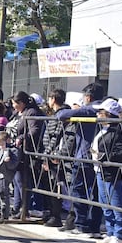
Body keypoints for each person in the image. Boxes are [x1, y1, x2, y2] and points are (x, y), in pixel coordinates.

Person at [56, 83, 106, 238]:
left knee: (79, 190)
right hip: (100, 158)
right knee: (97, 193)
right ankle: (94, 226)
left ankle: (81, 224)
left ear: (88, 97)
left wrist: (74, 109)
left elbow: (61, 114)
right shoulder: (106, 109)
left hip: (85, 156)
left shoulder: (89, 109)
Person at [91, 98, 122, 243]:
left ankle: (120, 235)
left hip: (114, 173)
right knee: (105, 204)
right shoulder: (103, 129)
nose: (98, 115)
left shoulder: (119, 130)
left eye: (100, 112)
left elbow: (121, 152)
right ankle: (110, 232)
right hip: (101, 171)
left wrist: (102, 156)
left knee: (117, 204)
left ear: (108, 114)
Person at [40, 89, 70, 227]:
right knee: (52, 187)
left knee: (56, 187)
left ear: (53, 99)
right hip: (52, 155)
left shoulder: (61, 116)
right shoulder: (58, 115)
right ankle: (53, 213)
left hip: (55, 157)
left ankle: (56, 215)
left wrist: (48, 155)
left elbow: (56, 137)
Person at [0, 131, 20, 223]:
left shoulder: (13, 150)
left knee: (4, 195)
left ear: (8, 141)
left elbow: (13, 165)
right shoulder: (1, 150)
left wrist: (8, 161)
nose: (1, 147)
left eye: (2, 144)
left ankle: (5, 215)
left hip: (5, 175)